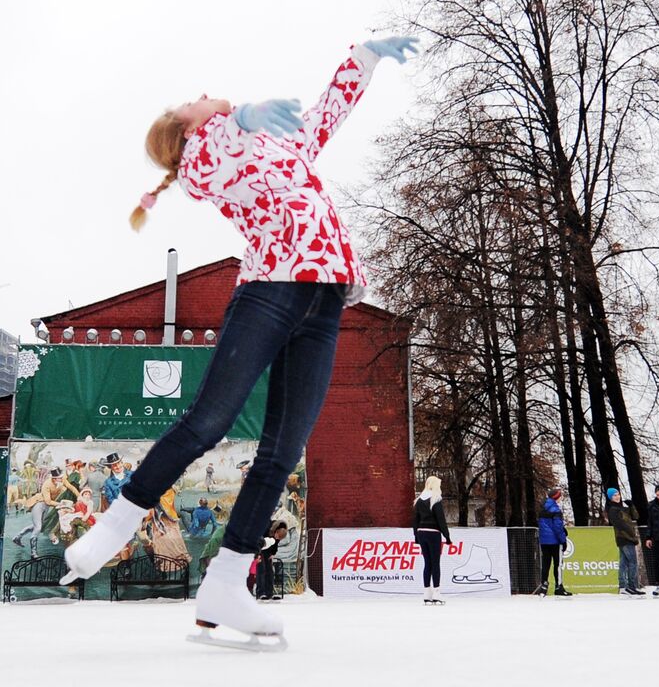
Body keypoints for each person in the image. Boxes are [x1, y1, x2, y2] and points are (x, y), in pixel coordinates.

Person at [59, 34, 419, 646]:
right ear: (183, 131)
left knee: (284, 448)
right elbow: (205, 170)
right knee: (210, 421)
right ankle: (118, 523)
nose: (201, 94)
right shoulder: (201, 158)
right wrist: (240, 116)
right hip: (270, 292)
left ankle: (226, 583)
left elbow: (328, 112)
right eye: (188, 103)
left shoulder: (278, 140)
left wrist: (366, 57)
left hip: (325, 298)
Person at [413, 475, 451, 605]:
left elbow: (415, 521)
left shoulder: (418, 501)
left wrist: (416, 537)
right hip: (433, 533)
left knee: (427, 563)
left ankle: (426, 593)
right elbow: (441, 519)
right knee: (435, 563)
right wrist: (447, 536)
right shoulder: (436, 499)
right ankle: (436, 592)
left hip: (421, 533)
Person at [605, 488, 643, 596]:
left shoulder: (623, 508)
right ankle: (632, 586)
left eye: (618, 494)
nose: (617, 497)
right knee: (633, 562)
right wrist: (630, 533)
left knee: (624, 563)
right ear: (610, 497)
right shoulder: (613, 509)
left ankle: (623, 587)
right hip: (625, 539)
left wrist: (631, 506)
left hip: (628, 538)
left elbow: (635, 517)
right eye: (614, 495)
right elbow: (619, 524)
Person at [536, 487, 572, 596]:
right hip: (555, 542)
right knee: (558, 565)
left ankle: (544, 585)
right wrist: (563, 540)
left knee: (546, 563)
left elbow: (546, 525)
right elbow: (557, 527)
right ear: (556, 497)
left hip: (544, 541)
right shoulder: (555, 510)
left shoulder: (542, 508)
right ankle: (558, 586)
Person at [255, 521, 288, 600]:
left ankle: (269, 593)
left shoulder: (281, 532)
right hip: (260, 549)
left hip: (268, 551)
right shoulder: (267, 527)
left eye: (279, 538)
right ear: (276, 531)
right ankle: (261, 593)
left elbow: (276, 543)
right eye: (277, 536)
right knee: (261, 570)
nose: (277, 539)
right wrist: (257, 553)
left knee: (270, 572)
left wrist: (273, 553)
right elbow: (258, 540)